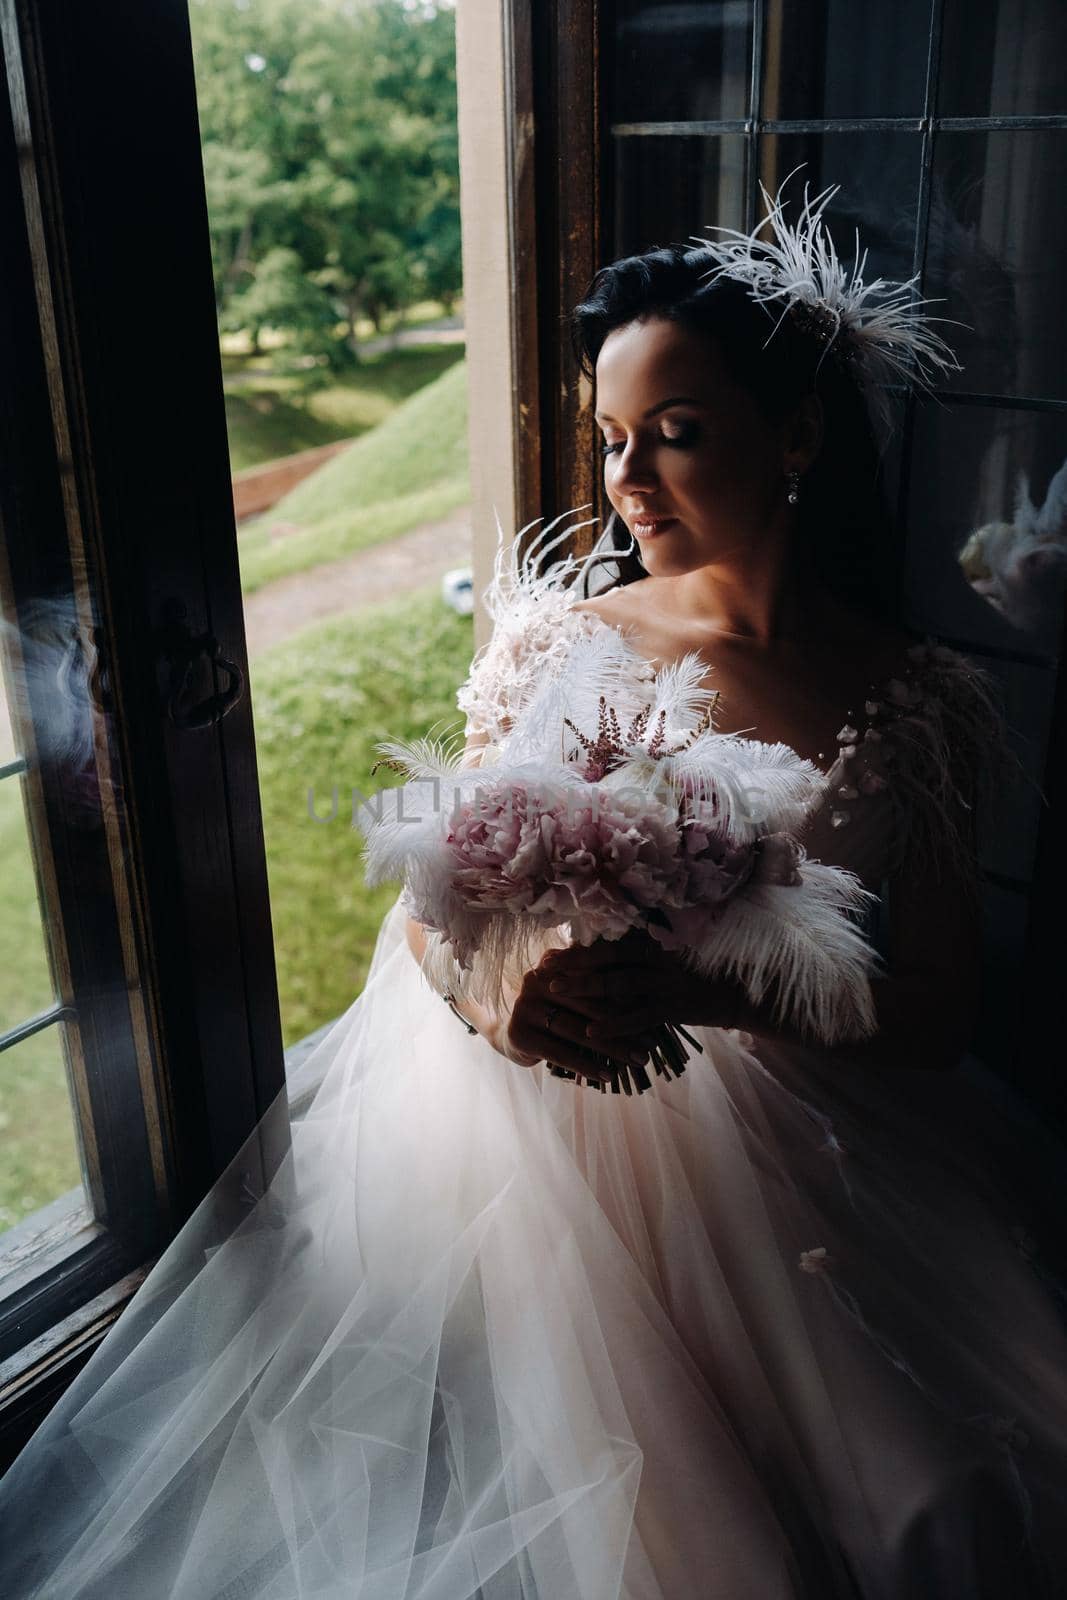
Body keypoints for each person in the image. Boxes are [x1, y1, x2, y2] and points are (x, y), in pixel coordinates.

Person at [2, 186, 1066, 1599]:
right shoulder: (562, 646)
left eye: (676, 435)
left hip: (835, 1134)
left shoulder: (916, 699)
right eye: (615, 440)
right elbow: (437, 908)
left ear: (796, 436)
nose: (629, 481)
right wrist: (506, 1010)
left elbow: (935, 1011)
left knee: (955, 1488)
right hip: (564, 1153)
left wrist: (705, 985)